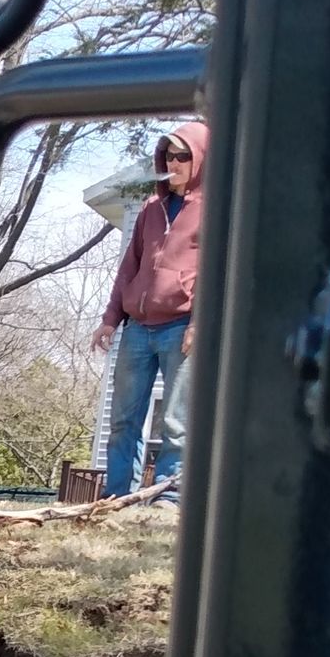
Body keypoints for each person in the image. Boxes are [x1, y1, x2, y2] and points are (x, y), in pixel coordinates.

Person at [93, 121, 209, 496]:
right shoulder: (150, 208)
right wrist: (110, 320)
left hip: (182, 327)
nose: (172, 163)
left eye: (182, 156)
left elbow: (219, 272)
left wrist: (199, 324)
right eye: (167, 155)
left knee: (177, 422)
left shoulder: (215, 210)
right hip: (138, 330)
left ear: (201, 159)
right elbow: (129, 268)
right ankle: (117, 498)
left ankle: (168, 497)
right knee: (124, 421)